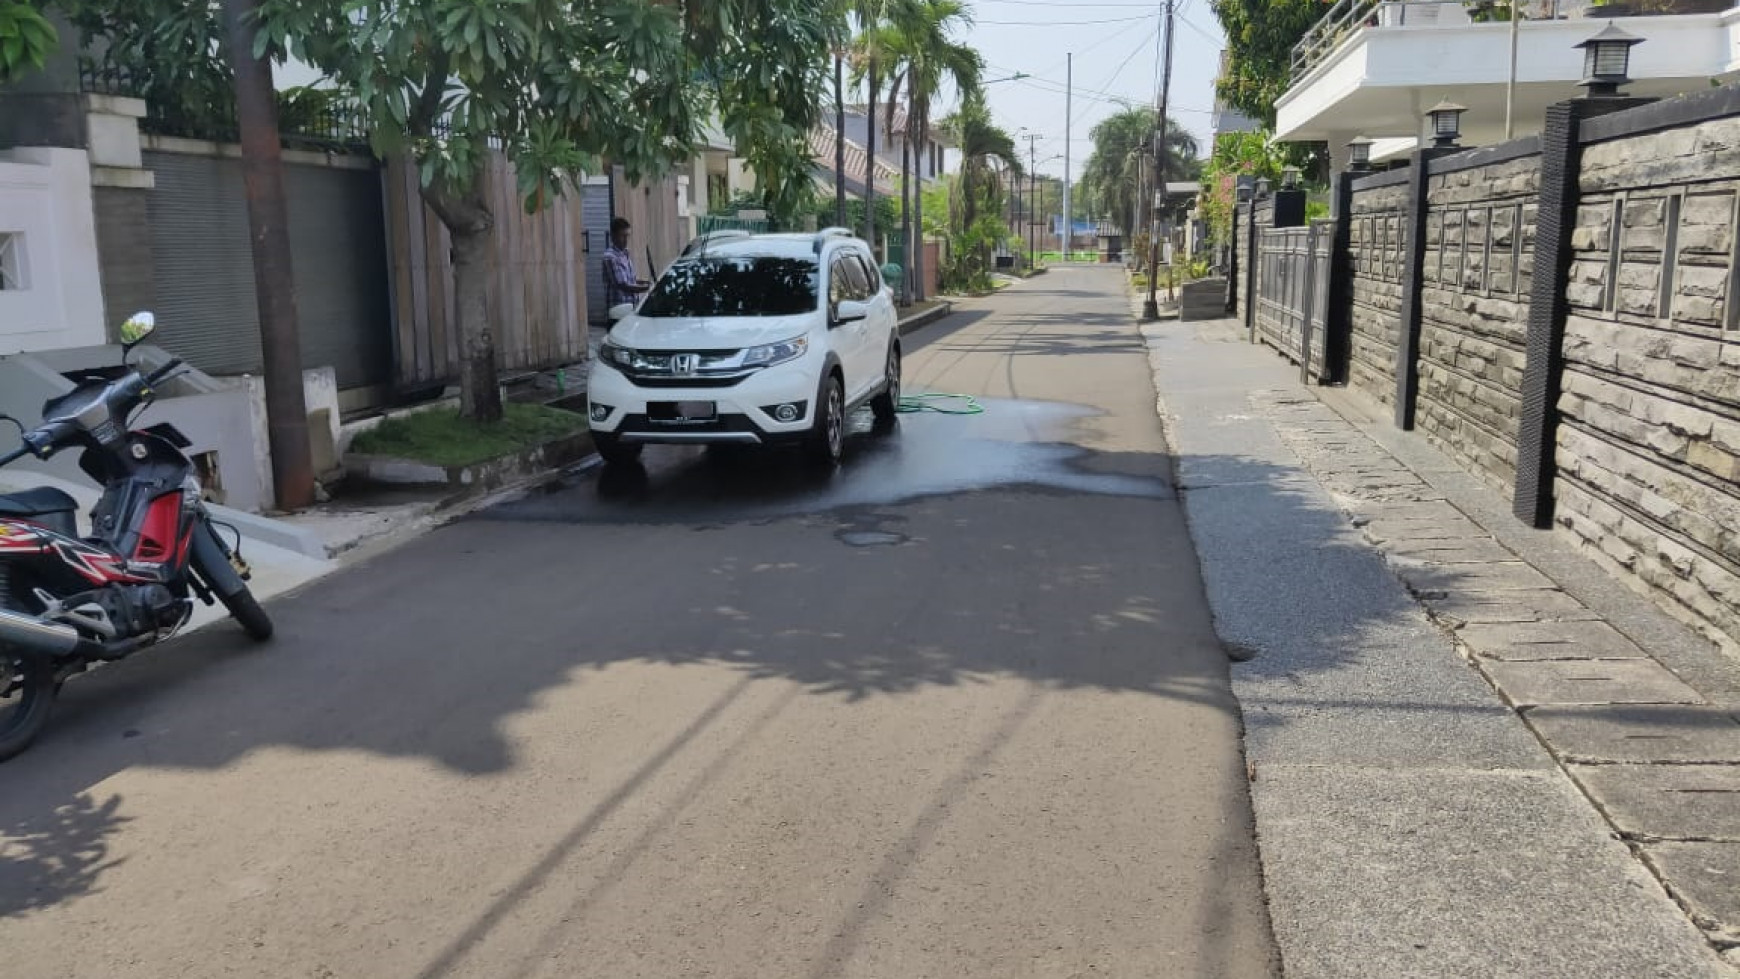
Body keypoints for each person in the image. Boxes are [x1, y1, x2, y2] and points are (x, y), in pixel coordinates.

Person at [603, 217, 650, 320]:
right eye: (622, 236)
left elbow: (630, 279)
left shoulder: (625, 253)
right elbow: (622, 284)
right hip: (618, 311)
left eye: (627, 236)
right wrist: (646, 289)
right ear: (613, 236)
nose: (625, 240)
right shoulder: (610, 257)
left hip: (630, 310)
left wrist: (644, 282)